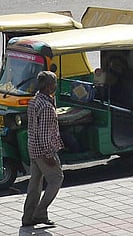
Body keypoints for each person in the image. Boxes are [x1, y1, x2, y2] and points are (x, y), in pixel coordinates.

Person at [22, 71, 64, 228]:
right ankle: (40, 212)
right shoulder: (46, 107)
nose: (56, 86)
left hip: (32, 148)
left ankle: (28, 217)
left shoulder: (35, 100)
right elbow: (45, 135)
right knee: (57, 178)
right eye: (54, 84)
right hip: (43, 151)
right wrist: (49, 155)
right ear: (49, 86)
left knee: (35, 184)